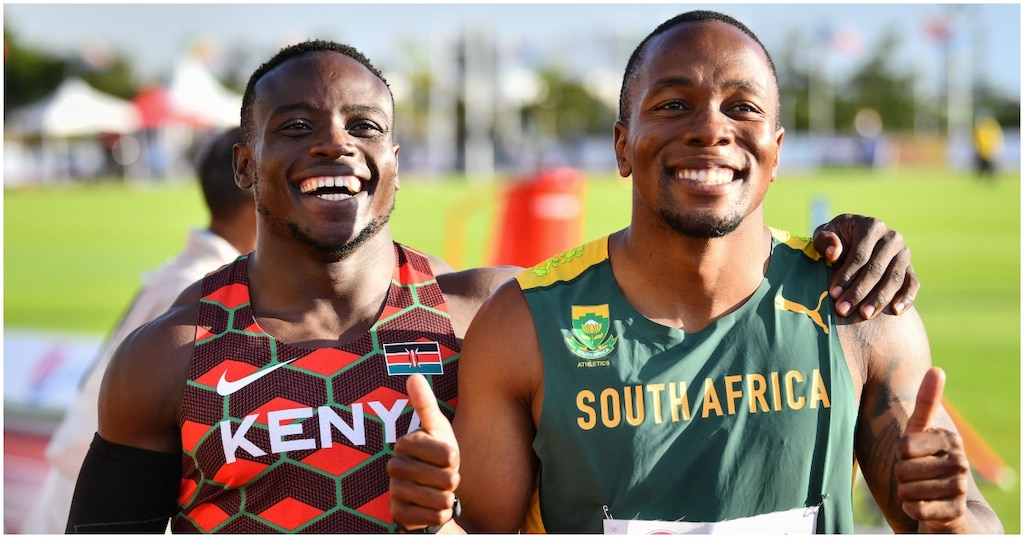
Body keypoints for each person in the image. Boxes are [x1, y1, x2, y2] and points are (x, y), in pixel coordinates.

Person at [67, 38, 919, 534]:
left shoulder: (486, 313)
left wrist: (841, 247)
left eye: (365, 126)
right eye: (296, 128)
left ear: (394, 166)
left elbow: (672, 272)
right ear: (247, 165)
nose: (334, 144)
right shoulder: (170, 359)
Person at [387, 11, 1003, 534]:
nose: (711, 129)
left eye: (742, 107)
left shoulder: (856, 310)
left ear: (777, 150)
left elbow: (965, 517)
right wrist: (433, 521)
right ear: (623, 145)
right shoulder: (524, 324)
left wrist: (950, 519)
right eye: (674, 104)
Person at [22, 126, 256, 534]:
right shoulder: (206, 293)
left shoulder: (192, 277)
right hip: (102, 506)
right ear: (256, 195)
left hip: (90, 495)